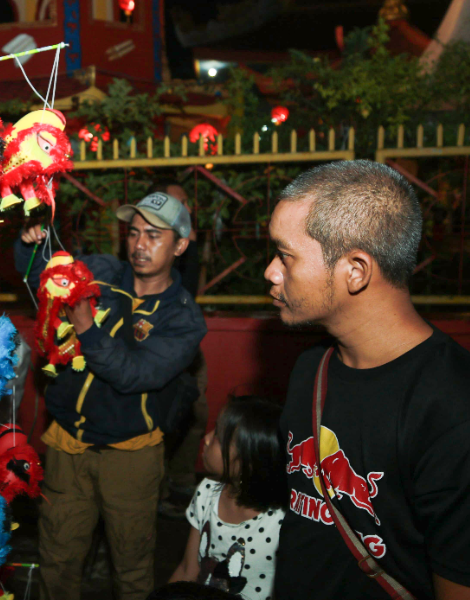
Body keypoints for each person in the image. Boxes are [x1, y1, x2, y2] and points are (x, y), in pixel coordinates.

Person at [265, 160, 470, 600]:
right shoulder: (310, 369)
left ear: (355, 271)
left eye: (285, 256)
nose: (271, 272)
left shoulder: (452, 407)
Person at [14, 191, 207, 600]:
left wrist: (86, 327)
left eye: (154, 236)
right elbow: (43, 279)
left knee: (132, 567)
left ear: (181, 245)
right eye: (134, 233)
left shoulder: (183, 318)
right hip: (68, 445)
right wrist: (32, 244)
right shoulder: (101, 271)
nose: (140, 244)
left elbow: (133, 374)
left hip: (130, 455)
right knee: (57, 560)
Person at [170, 397, 287, 600]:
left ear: (248, 461)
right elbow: (188, 569)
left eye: (218, 436)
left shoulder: (281, 522)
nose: (206, 438)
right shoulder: (207, 491)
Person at [146, 180, 209, 518]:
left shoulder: (186, 244)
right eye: (177, 202)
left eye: (185, 202)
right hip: (158, 345)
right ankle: (155, 493)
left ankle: (180, 481)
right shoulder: (152, 246)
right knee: (161, 419)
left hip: (187, 345)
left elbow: (191, 289)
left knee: (195, 412)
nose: (185, 208)